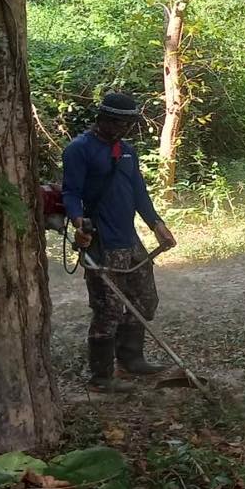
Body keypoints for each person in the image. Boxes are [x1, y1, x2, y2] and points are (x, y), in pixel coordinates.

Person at [62, 92, 177, 393]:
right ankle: (101, 376)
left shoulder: (127, 151)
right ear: (101, 118)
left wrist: (157, 225)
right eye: (115, 121)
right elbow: (70, 192)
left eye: (126, 123)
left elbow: (139, 191)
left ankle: (131, 359)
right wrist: (78, 223)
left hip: (130, 239)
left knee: (145, 299)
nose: (121, 128)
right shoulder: (79, 150)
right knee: (108, 309)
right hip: (102, 242)